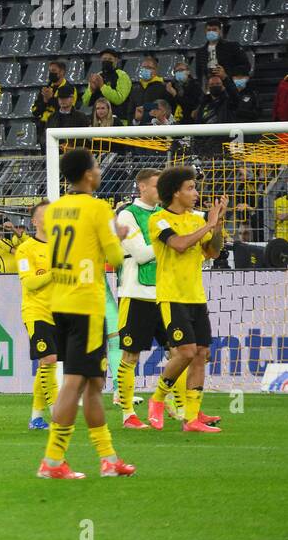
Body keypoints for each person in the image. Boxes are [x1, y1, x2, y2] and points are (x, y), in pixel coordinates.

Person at [38, 149, 134, 479]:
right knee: (75, 382)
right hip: (86, 305)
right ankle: (52, 461)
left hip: (60, 301)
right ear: (89, 175)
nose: (99, 171)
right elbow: (115, 258)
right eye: (96, 166)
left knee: (94, 382)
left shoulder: (54, 210)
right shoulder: (97, 208)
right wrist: (117, 237)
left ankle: (108, 459)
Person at [146, 167, 227, 433]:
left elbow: (212, 252)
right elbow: (178, 245)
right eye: (190, 188)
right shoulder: (158, 219)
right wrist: (209, 223)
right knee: (186, 352)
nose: (195, 193)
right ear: (175, 192)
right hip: (172, 296)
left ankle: (192, 419)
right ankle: (157, 399)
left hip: (195, 295)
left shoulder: (196, 219)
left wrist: (219, 224)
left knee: (201, 354)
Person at [112, 169, 168, 430]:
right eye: (157, 186)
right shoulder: (126, 215)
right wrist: (171, 241)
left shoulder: (163, 215)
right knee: (131, 355)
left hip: (166, 293)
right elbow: (143, 254)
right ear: (142, 187)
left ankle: (178, 408)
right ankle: (128, 415)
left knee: (179, 352)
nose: (161, 190)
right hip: (135, 293)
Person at [14, 200, 58, 430]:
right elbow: (30, 283)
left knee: (46, 366)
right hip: (36, 311)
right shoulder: (25, 249)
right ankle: (57, 412)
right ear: (34, 221)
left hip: (60, 312)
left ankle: (36, 418)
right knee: (48, 360)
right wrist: (55, 272)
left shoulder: (63, 246)